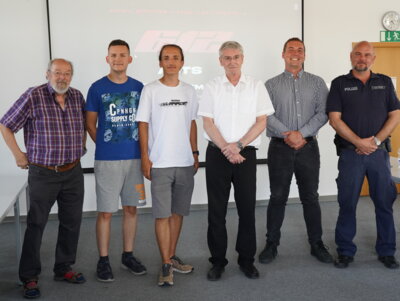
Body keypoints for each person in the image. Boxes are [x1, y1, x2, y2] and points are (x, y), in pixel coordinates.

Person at [0, 58, 86, 299]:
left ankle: (63, 268)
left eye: (67, 73)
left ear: (71, 76)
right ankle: (29, 276)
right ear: (47, 73)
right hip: (42, 173)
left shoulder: (77, 96)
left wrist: (80, 148)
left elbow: (83, 126)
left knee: (72, 222)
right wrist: (18, 154)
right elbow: (5, 125)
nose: (62, 77)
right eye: (57, 72)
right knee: (36, 225)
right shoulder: (33, 96)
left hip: (72, 172)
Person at [198, 41, 275, 281]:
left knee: (246, 210)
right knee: (216, 211)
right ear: (220, 61)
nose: (231, 61)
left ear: (243, 58)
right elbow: (208, 123)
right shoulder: (211, 87)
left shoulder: (256, 86)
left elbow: (261, 121)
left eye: (235, 57)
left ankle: (246, 261)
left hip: (245, 154)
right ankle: (218, 262)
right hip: (217, 154)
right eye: (226, 58)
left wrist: (238, 146)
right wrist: (226, 148)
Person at [258, 37, 333, 265]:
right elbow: (265, 115)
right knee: (277, 197)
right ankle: (271, 244)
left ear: (305, 55)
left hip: (308, 148)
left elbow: (323, 113)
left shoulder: (318, 83)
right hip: (280, 148)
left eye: (300, 49)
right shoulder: (270, 85)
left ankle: (317, 244)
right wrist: (288, 134)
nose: (295, 53)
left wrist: (301, 134)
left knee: (310, 197)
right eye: (291, 49)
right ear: (283, 54)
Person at [327, 41, 400, 269]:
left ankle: (387, 250)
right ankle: (346, 251)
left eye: (367, 55)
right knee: (347, 203)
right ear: (351, 56)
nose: (362, 58)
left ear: (373, 58)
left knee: (384, 203)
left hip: (378, 154)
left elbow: (395, 115)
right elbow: (334, 119)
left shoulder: (385, 82)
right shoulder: (339, 84)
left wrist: (375, 141)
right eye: (358, 54)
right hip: (350, 155)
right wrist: (359, 142)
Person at [136, 44, 199, 287]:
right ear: (160, 62)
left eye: (175, 58)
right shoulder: (150, 90)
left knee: (177, 213)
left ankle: (171, 258)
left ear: (183, 62)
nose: (171, 61)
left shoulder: (190, 91)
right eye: (166, 58)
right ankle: (164, 263)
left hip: (184, 162)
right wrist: (145, 157)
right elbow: (143, 124)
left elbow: (192, 123)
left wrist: (194, 153)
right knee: (162, 215)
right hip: (160, 163)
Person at [86, 39, 147, 282]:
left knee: (132, 209)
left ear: (130, 59)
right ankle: (103, 260)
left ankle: (127, 255)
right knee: (106, 212)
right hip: (107, 161)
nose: (118, 59)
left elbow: (144, 123)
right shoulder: (97, 88)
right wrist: (105, 144)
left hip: (134, 159)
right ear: (107, 59)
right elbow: (90, 124)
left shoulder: (139, 87)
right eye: (114, 55)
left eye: (123, 55)